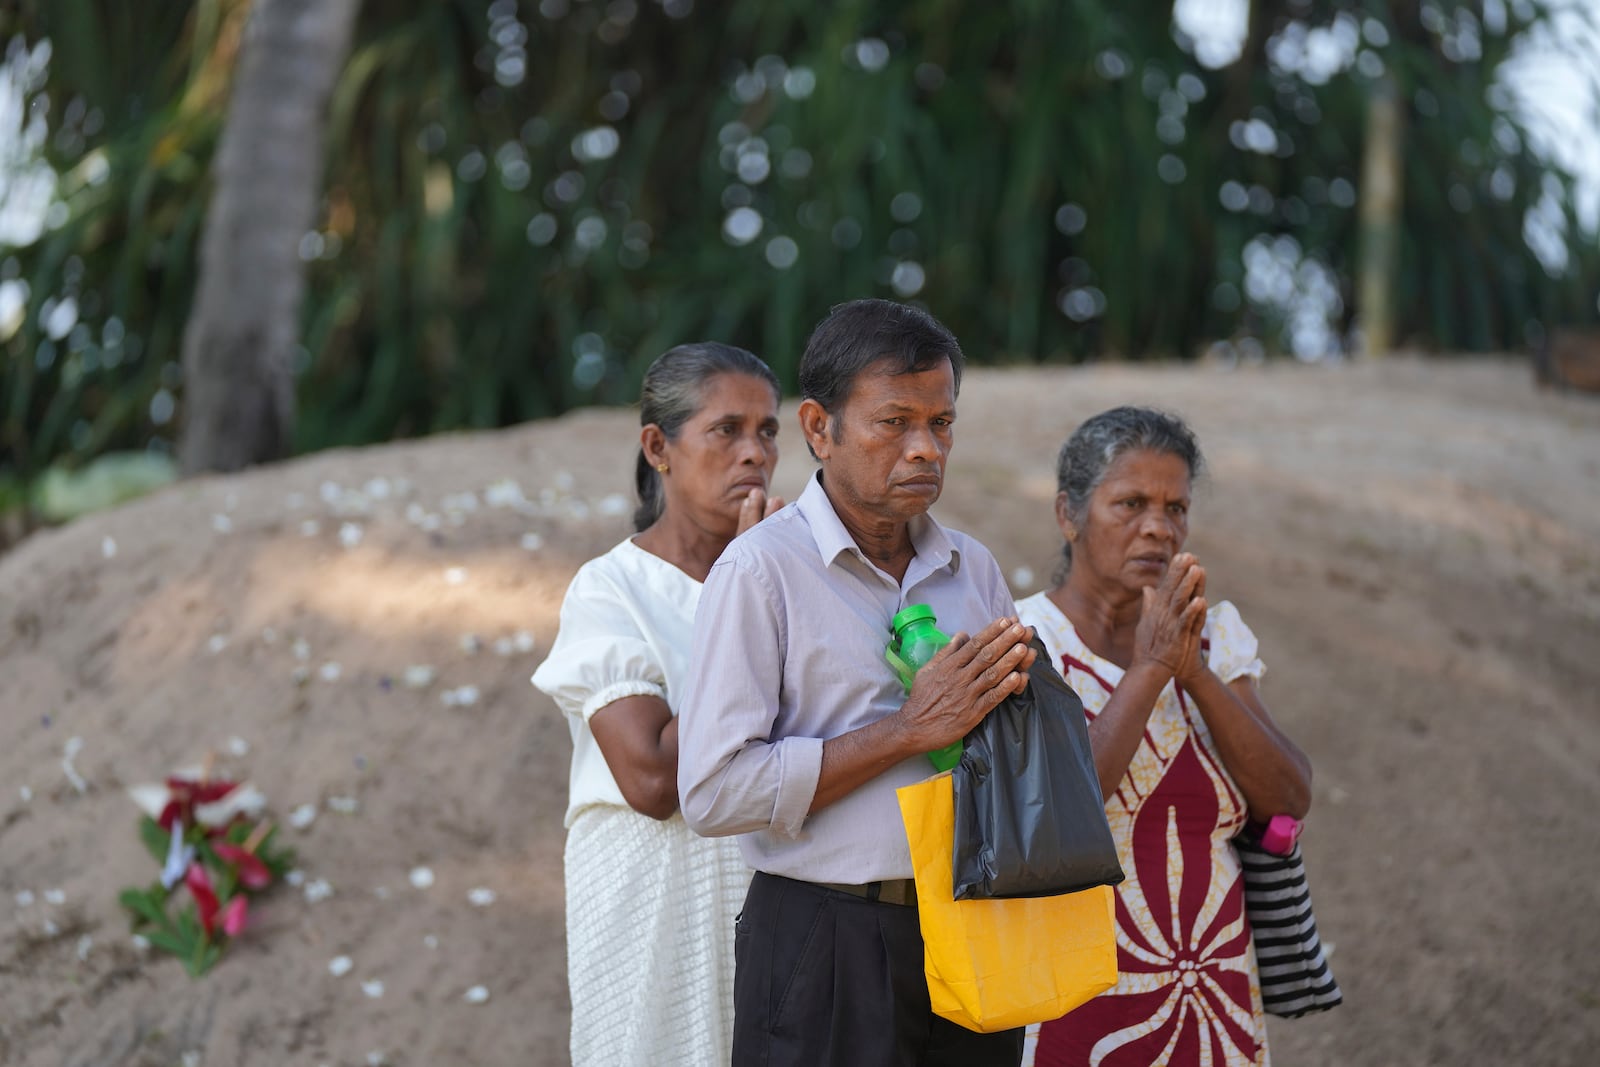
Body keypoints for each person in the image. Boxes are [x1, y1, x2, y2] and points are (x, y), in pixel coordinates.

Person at [677, 298, 1039, 1067]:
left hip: (972, 924)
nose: (924, 450)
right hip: (823, 938)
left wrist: (1022, 719)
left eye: (941, 423)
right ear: (819, 427)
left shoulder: (972, 570)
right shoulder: (759, 571)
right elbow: (712, 791)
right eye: (894, 422)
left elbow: (1017, 767)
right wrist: (909, 730)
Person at [1015, 406, 1313, 1067]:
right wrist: (1150, 669)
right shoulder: (1023, 642)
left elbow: (1289, 795)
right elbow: (1065, 809)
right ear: (1069, 515)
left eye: (1176, 507)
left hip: (1212, 996)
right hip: (1077, 999)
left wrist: (1193, 669)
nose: (1158, 525)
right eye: (1131, 503)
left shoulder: (1212, 637)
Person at [530, 342, 785, 1067]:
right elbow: (652, 781)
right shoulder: (612, 589)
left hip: (777, 909)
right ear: (658, 446)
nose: (754, 453)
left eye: (767, 431)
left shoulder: (794, 580)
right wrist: (743, 592)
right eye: (726, 429)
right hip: (654, 903)